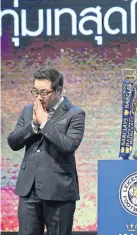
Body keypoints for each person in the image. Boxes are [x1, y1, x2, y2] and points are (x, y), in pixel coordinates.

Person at [7, 68, 86, 235]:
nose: (38, 97)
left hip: (58, 191)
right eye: (35, 91)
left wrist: (44, 123)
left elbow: (69, 145)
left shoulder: (75, 113)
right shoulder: (28, 111)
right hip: (29, 190)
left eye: (44, 92)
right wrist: (34, 125)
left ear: (58, 90)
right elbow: (13, 142)